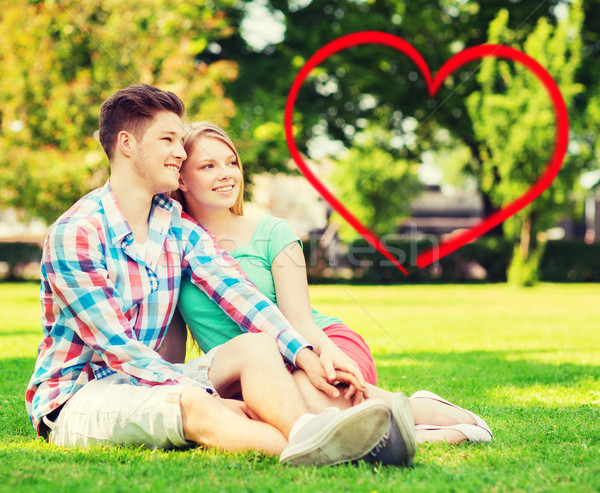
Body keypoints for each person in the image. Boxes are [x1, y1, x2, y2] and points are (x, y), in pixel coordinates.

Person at [24, 84, 414, 467]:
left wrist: (305, 354)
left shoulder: (173, 223)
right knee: (194, 403)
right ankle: (330, 445)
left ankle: (317, 433)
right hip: (81, 395)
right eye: (168, 139)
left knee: (257, 345)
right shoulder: (77, 233)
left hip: (152, 379)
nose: (181, 151)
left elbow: (239, 294)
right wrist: (203, 391)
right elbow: (117, 348)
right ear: (127, 144)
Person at [171, 121, 494, 446]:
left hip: (321, 344)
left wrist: (328, 356)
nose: (226, 173)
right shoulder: (173, 248)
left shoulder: (272, 232)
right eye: (208, 166)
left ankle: (433, 415)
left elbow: (300, 320)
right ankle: (389, 431)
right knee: (277, 408)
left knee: (311, 403)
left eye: (231, 162)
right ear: (181, 178)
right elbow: (171, 343)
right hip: (251, 373)